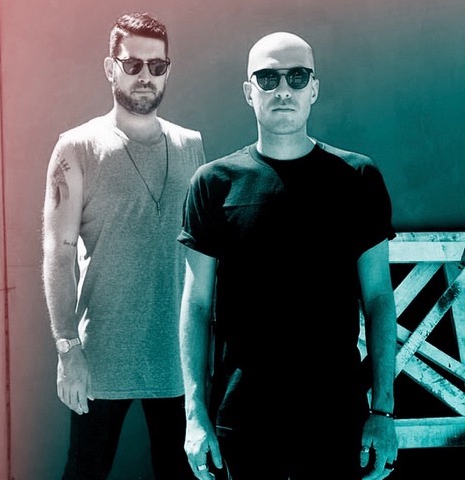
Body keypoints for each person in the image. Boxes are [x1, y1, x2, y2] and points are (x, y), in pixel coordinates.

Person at [178, 31, 398, 479]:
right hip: (243, 418)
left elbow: (378, 298)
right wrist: (194, 415)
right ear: (249, 92)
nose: (283, 89)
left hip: (335, 416)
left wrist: (383, 411)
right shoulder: (213, 183)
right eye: (268, 78)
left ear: (313, 89)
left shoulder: (357, 178)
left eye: (297, 77)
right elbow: (196, 305)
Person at [42, 12, 205, 480]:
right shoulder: (77, 148)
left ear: (168, 70)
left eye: (157, 66)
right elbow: (58, 252)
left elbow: (204, 254)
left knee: (183, 473)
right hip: (100, 356)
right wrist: (67, 349)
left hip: (176, 357)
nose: (145, 76)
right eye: (132, 65)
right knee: (85, 471)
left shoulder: (191, 145)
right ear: (110, 68)